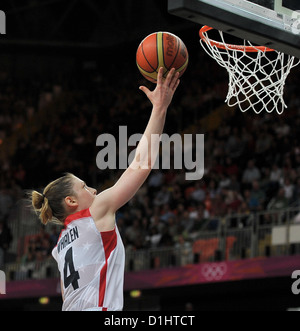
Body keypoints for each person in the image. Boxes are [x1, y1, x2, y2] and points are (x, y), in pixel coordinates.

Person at [30, 68, 180, 311]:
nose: (95, 191)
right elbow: (141, 164)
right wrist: (160, 107)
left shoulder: (60, 246)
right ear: (71, 201)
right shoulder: (94, 213)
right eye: (85, 187)